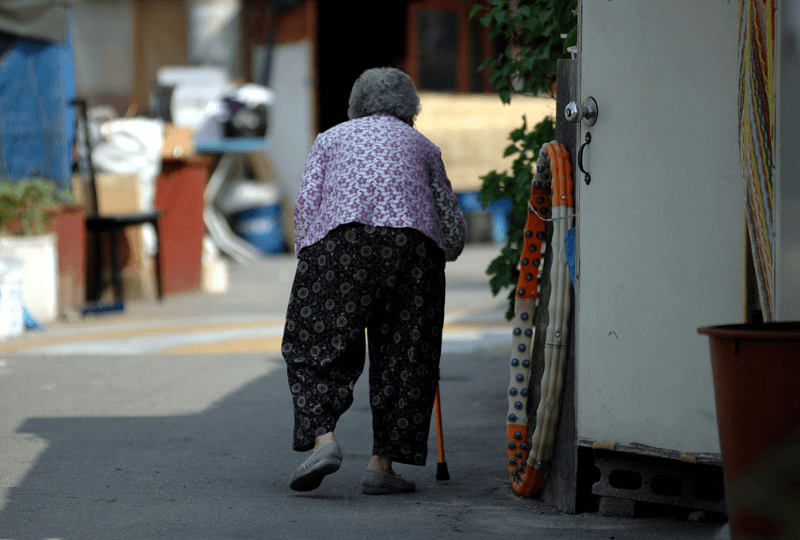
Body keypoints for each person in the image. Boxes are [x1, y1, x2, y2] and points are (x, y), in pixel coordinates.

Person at [282, 67, 466, 495]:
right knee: (407, 353)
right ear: (410, 109)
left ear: (355, 106)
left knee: (315, 343)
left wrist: (312, 267)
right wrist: (446, 250)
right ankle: (382, 465)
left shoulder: (330, 139)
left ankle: (324, 439)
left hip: (340, 245)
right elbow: (452, 231)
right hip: (413, 252)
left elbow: (306, 208)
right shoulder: (423, 146)